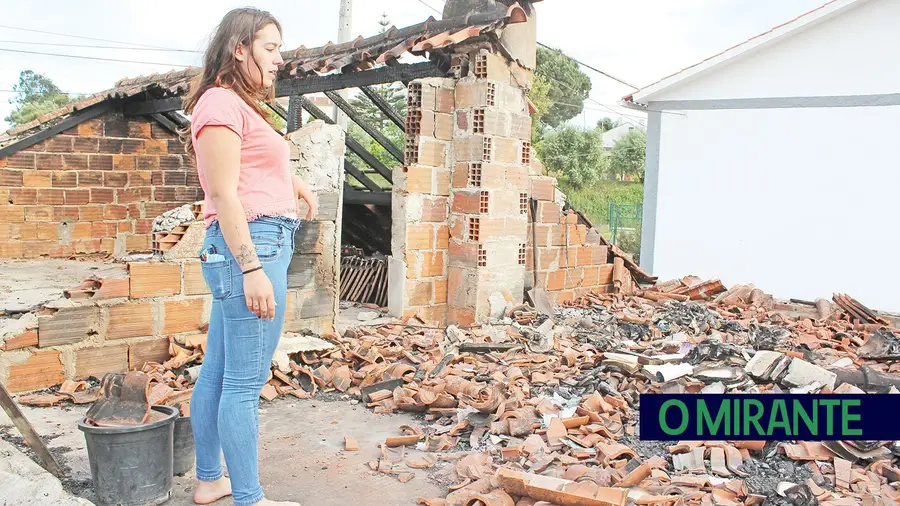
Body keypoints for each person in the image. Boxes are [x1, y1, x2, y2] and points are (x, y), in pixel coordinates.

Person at [182, 7, 316, 506]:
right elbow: (223, 193)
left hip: (258, 239)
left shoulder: (236, 104)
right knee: (243, 381)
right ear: (239, 49)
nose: (279, 59)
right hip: (252, 246)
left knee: (218, 372)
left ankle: (211, 480)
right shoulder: (219, 104)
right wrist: (253, 268)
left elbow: (248, 172)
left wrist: (292, 183)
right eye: (271, 48)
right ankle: (250, 499)